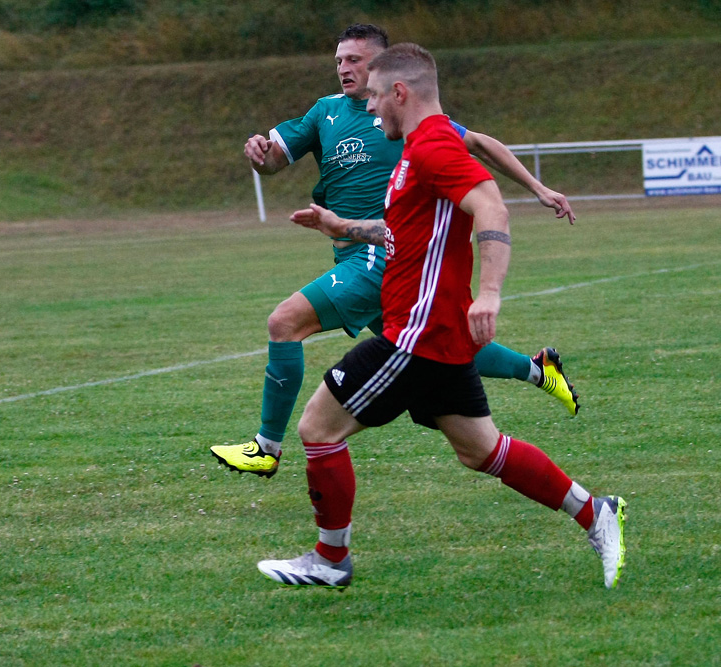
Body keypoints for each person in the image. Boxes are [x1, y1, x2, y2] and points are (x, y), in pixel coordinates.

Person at [256, 43, 626, 590]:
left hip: (413, 335)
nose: (372, 108)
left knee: (317, 428)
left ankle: (330, 559)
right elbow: (402, 230)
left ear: (400, 93)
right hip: (438, 336)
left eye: (377, 97)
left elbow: (490, 205)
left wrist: (491, 292)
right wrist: (343, 228)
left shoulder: (431, 146)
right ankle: (597, 512)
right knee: (483, 450)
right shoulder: (415, 148)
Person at [211, 24, 579, 480]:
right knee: (437, 346)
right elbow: (272, 162)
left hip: (382, 255)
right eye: (339, 61)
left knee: (284, 323)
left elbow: (480, 144)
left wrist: (538, 187)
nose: (344, 69)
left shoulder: (405, 116)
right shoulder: (324, 113)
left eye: (355, 60)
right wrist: (258, 154)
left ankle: (265, 447)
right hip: (353, 256)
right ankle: (539, 371)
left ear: (383, 68)